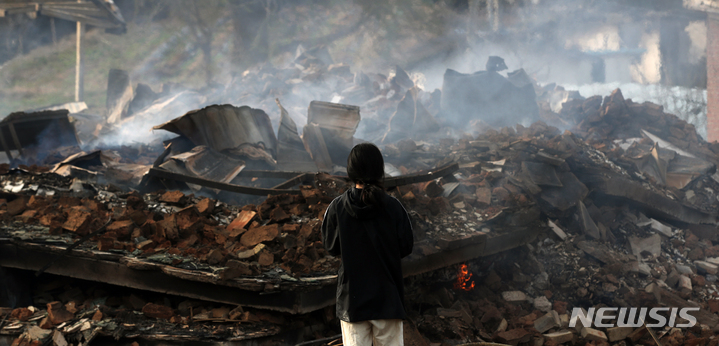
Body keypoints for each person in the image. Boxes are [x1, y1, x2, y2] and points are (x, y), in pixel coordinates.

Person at [321, 143, 414, 346]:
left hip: (352, 303)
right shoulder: (394, 207)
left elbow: (331, 247)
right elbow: (406, 247)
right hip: (388, 301)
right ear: (379, 170)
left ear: (351, 171)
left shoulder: (337, 207)